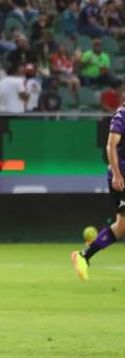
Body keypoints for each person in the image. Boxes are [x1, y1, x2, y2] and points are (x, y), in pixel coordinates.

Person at [72, 102, 125, 280]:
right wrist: (117, 175)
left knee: (121, 227)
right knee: (122, 225)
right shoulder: (121, 115)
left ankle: (84, 255)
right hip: (121, 177)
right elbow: (111, 145)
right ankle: (84, 255)